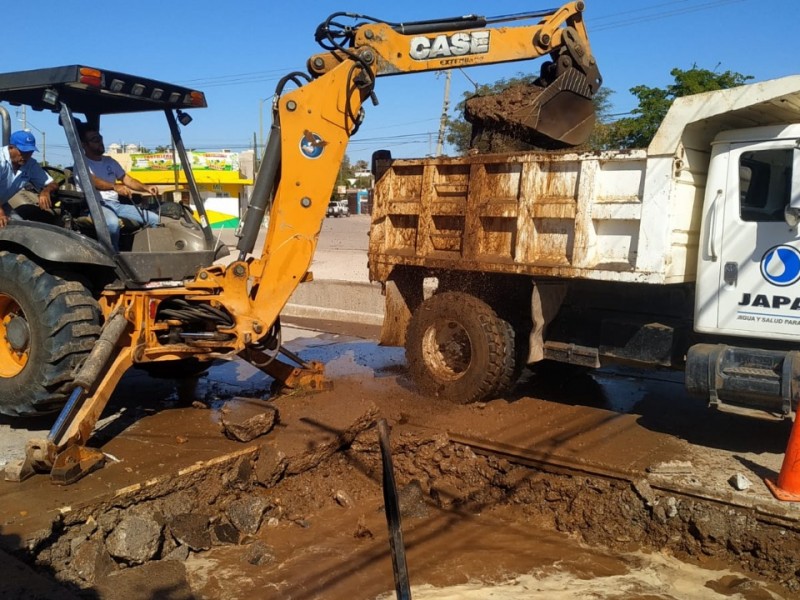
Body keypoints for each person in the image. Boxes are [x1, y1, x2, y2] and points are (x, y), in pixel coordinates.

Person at [78, 126, 160, 250]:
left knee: (154, 219)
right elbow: (93, 181)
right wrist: (114, 186)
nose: (100, 142)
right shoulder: (82, 164)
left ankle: (152, 254)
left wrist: (146, 188)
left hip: (116, 205)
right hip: (95, 205)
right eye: (95, 140)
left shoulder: (109, 161)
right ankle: (114, 258)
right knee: (112, 223)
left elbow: (127, 179)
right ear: (84, 144)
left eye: (100, 138)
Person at [0, 131, 59, 227]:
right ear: (11, 147)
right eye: (22, 152)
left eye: (30, 152)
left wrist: (46, 191)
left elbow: (53, 184)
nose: (26, 156)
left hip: (2, 203)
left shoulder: (30, 164)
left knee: (20, 229)